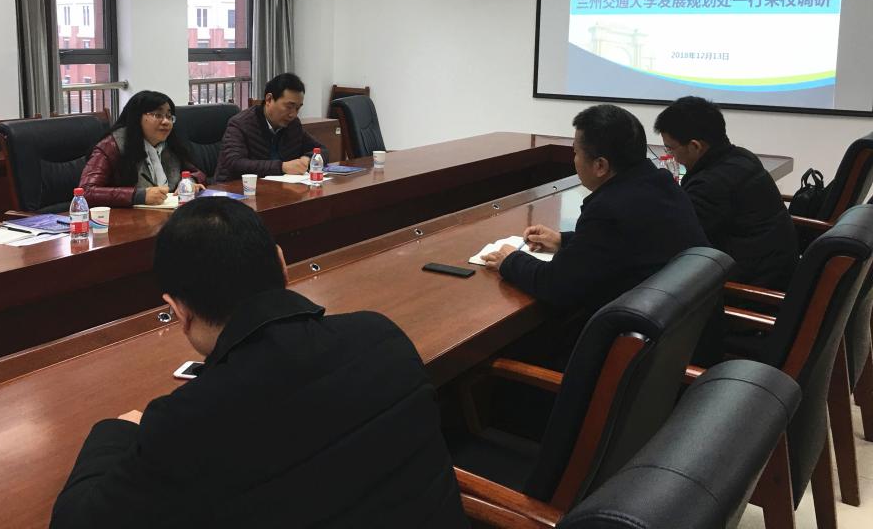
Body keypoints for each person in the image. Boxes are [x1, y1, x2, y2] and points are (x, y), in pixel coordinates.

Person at [50, 198, 468, 528]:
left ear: (178, 311)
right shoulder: (382, 336)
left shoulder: (189, 421)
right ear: (283, 266)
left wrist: (116, 432)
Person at [481, 104, 708, 363]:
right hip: (684, 337)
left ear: (600, 165)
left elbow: (556, 285)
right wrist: (562, 240)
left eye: (576, 152)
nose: (574, 160)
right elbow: (624, 244)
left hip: (636, 357)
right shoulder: (661, 184)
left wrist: (510, 260)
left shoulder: (609, 209)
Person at [654, 96, 798, 290]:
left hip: (749, 289)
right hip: (775, 269)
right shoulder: (742, 157)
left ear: (695, 146)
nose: (671, 155)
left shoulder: (710, 184)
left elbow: (676, 242)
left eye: (670, 149)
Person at [79, 90, 206, 207]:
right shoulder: (112, 145)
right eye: (158, 115)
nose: (166, 122)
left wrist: (190, 182)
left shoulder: (171, 143)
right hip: (127, 219)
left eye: (169, 116)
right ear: (137, 117)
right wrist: (138, 196)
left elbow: (197, 172)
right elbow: (86, 191)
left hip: (169, 213)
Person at [213, 72, 327, 182]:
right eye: (289, 107)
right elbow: (235, 163)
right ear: (269, 99)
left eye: (298, 108)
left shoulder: (293, 124)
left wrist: (307, 159)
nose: (293, 114)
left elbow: (322, 150)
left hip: (278, 188)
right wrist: (282, 167)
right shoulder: (241, 124)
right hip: (236, 189)